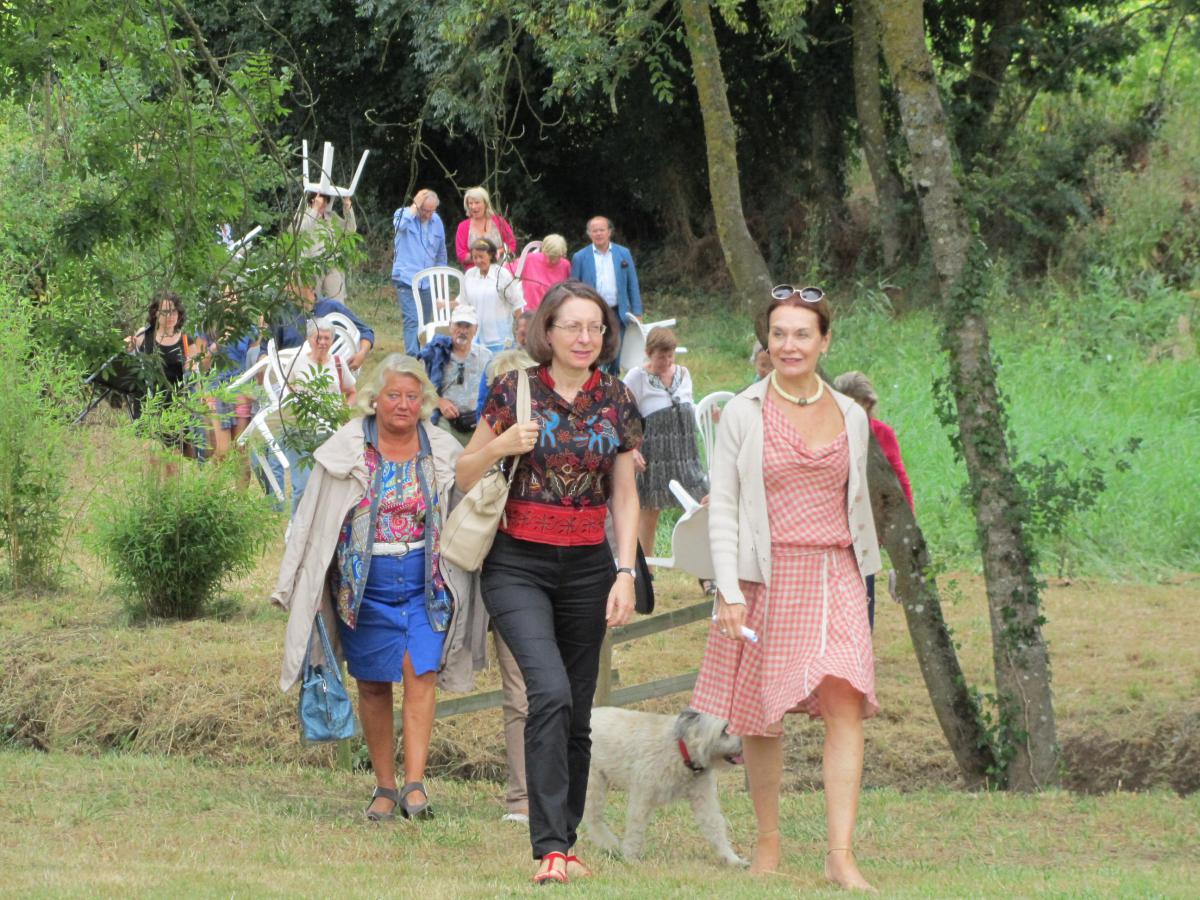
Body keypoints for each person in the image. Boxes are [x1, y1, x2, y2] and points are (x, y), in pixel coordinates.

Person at [692, 285, 882, 891]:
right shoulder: (743, 412)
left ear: (824, 342)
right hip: (765, 576)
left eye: (802, 334)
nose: (789, 345)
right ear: (767, 342)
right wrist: (728, 590)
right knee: (761, 716)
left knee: (845, 702)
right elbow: (724, 505)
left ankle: (840, 855)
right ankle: (768, 841)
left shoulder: (852, 415)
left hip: (836, 572)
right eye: (779, 334)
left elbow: (858, 502)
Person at [456, 281, 642, 885]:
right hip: (517, 565)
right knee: (551, 693)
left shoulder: (616, 397)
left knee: (578, 714)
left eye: (595, 327)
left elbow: (625, 493)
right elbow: (463, 473)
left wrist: (625, 572)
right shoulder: (513, 389)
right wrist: (503, 444)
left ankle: (567, 842)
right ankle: (549, 848)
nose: (585, 337)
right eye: (572, 326)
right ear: (548, 331)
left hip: (589, 567)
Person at [272, 354, 478, 823]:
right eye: (393, 395)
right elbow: (312, 520)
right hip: (363, 586)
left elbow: (472, 503)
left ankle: (415, 784)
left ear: (424, 402)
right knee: (372, 683)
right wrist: (297, 584)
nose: (403, 405)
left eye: (412, 396)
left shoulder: (441, 448)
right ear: (374, 399)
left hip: (426, 583)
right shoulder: (346, 450)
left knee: (420, 672)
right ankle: (385, 786)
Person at [833, 370, 914, 631]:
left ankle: (863, 637)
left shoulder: (881, 433)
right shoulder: (830, 433)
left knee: (863, 585)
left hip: (868, 521)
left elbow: (899, 478)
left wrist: (907, 521)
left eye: (855, 405)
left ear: (868, 403)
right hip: (834, 520)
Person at [623, 327, 708, 559]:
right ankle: (646, 570)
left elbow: (690, 405)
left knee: (702, 505)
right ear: (649, 353)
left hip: (685, 454)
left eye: (670, 355)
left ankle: (705, 567)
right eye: (661, 356)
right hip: (654, 456)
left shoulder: (683, 373)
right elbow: (621, 414)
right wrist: (630, 449)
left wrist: (707, 413)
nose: (667, 361)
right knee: (650, 512)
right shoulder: (637, 377)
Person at [270, 318, 357, 513]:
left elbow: (352, 392)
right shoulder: (297, 361)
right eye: (319, 338)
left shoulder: (338, 363)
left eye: (327, 338)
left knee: (329, 486)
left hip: (330, 432)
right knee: (303, 487)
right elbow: (283, 388)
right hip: (301, 431)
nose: (323, 342)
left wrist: (344, 409)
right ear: (309, 339)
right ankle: (296, 525)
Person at [128, 290, 198, 454]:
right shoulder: (143, 336)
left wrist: (192, 369)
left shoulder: (186, 341)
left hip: (175, 408)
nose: (170, 316)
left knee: (172, 461)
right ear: (155, 313)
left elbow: (195, 380)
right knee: (150, 457)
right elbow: (128, 365)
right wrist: (129, 347)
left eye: (173, 311)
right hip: (147, 406)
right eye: (165, 312)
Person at [570, 217, 642, 369]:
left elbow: (632, 284)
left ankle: (612, 379)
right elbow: (573, 288)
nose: (598, 234)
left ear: (609, 232)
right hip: (591, 313)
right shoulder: (580, 257)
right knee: (595, 352)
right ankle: (594, 379)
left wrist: (637, 312)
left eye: (602, 230)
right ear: (589, 234)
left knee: (616, 353)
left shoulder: (623, 253)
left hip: (618, 312)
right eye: (594, 231)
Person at [392, 188, 448, 357]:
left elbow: (441, 254)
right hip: (406, 279)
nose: (428, 215)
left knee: (424, 323)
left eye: (431, 211)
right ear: (417, 205)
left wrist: (441, 283)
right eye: (424, 210)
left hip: (427, 282)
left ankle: (424, 356)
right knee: (412, 320)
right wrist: (414, 206)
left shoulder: (437, 221)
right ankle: (413, 359)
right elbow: (399, 226)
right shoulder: (403, 214)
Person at [269, 282, 374, 369]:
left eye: (291, 284)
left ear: (309, 285)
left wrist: (362, 353)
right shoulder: (281, 313)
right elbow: (266, 350)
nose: (286, 288)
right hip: (292, 376)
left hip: (331, 374)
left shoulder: (332, 307)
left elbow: (365, 331)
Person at [433, 306, 492, 446]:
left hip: (477, 423)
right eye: (459, 325)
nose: (463, 331)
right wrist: (439, 402)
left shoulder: (486, 356)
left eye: (468, 326)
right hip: (446, 423)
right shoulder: (434, 355)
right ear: (450, 326)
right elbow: (418, 388)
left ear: (476, 329)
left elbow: (494, 390)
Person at [461, 238, 525, 353]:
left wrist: (522, 330)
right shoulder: (469, 275)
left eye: (481, 256)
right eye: (475, 257)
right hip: (476, 338)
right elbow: (464, 304)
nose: (478, 260)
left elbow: (517, 303)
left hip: (500, 339)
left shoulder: (502, 275)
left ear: (490, 255)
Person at [294, 190, 357, 302]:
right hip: (311, 266)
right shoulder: (304, 216)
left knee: (337, 302)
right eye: (320, 202)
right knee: (310, 302)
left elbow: (350, 229)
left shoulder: (331, 216)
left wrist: (347, 208)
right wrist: (315, 210)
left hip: (332, 265)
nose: (323, 205)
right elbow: (299, 231)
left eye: (325, 202)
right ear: (312, 201)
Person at [454, 186, 516, 267]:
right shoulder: (463, 227)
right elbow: (461, 255)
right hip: (475, 271)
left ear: (485, 204)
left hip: (501, 268)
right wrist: (481, 258)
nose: (473, 207)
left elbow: (511, 244)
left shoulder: (499, 221)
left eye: (477, 202)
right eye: (470, 203)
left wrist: (499, 251)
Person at [509, 233, 571, 311]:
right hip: (530, 312)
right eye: (549, 256)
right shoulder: (530, 259)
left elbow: (567, 290)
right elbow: (509, 271)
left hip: (552, 312)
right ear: (544, 251)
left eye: (555, 257)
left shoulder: (565, 265)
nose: (551, 260)